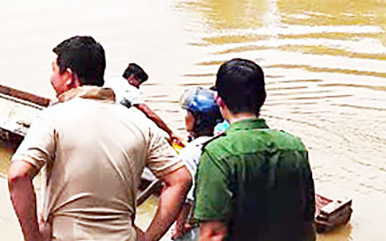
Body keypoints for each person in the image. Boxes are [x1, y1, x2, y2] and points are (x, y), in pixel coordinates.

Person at [8, 36, 192, 241]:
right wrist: (150, 238)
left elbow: (18, 176)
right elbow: (180, 179)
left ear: (68, 76)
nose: (51, 78)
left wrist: (33, 237)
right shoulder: (142, 125)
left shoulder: (52, 118)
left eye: (53, 70)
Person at [194, 59, 315, 241]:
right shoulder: (295, 147)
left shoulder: (217, 153)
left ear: (218, 99)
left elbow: (212, 235)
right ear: (263, 97)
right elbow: (306, 223)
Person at [169, 88, 223, 241]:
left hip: (197, 226)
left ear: (198, 119)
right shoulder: (219, 143)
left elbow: (186, 197)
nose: (185, 117)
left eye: (188, 114)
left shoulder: (191, 152)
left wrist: (179, 227)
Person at [106, 63, 185, 147]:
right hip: (115, 127)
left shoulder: (111, 81)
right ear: (132, 78)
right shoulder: (129, 89)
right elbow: (149, 113)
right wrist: (170, 133)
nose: (138, 87)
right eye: (139, 83)